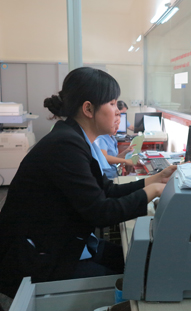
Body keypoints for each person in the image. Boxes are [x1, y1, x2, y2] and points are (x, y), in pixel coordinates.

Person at [0, 67, 177, 299]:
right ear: (88, 109)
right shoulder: (64, 146)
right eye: (112, 104)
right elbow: (100, 212)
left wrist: (153, 180)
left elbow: (106, 190)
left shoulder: (76, 140)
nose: (118, 113)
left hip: (68, 243)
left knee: (141, 259)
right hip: (41, 259)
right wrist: (152, 191)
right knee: (138, 276)